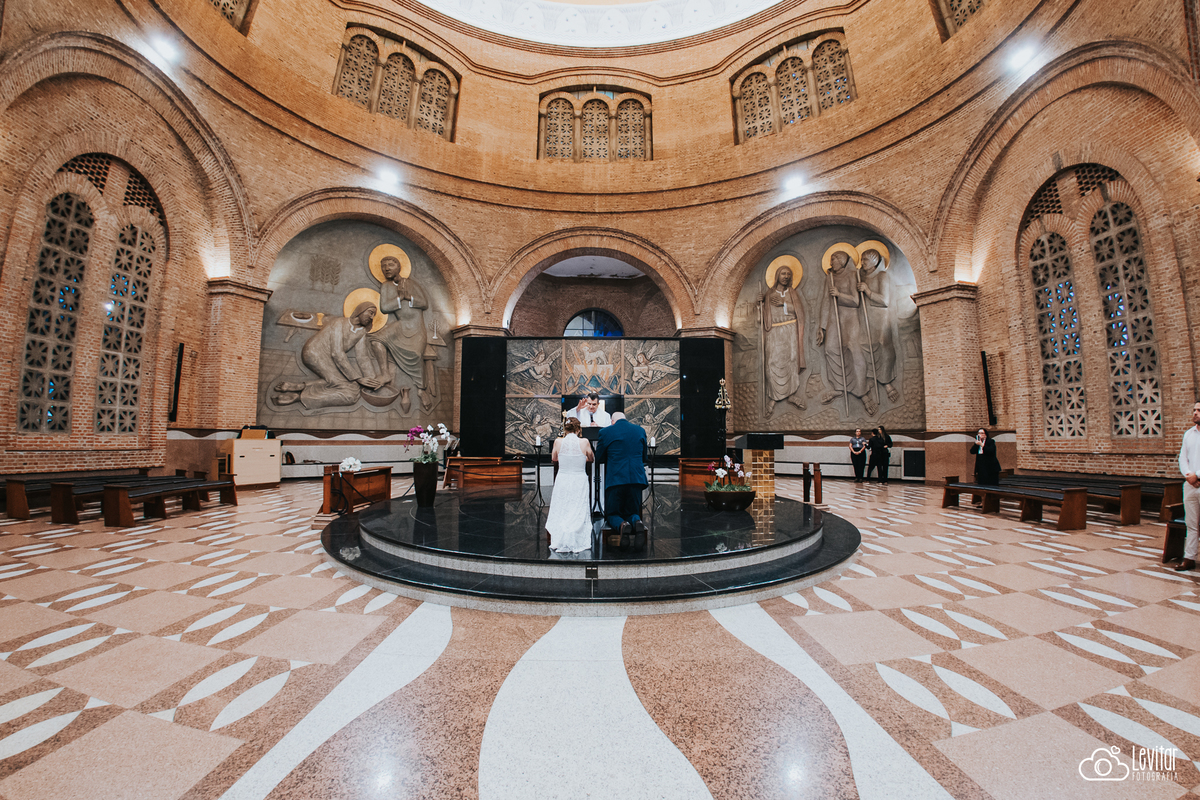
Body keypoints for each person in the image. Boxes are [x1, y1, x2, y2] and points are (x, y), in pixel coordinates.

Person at [273, 302, 384, 409]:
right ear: (360, 310)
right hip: (315, 354)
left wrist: (372, 380)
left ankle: (299, 386)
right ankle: (300, 397)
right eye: (370, 312)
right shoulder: (339, 323)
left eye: (374, 315)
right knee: (351, 394)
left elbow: (363, 357)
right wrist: (358, 378)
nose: (371, 317)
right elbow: (337, 353)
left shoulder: (361, 331)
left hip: (330, 359)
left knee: (351, 384)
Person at [369, 254, 434, 414]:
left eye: (390, 265)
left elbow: (424, 303)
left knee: (416, 355)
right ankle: (385, 375)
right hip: (400, 325)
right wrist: (399, 298)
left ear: (399, 266)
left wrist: (408, 297)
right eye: (383, 266)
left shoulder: (411, 283)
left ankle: (421, 390)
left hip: (416, 327)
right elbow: (385, 307)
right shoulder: (386, 286)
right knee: (376, 341)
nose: (386, 269)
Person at [817, 250, 875, 415]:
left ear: (842, 261)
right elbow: (825, 302)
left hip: (849, 320)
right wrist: (822, 327)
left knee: (854, 352)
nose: (831, 262)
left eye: (834, 259)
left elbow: (856, 301)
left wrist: (839, 294)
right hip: (834, 320)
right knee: (830, 350)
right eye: (831, 259)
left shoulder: (851, 274)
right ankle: (840, 387)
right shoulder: (829, 278)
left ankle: (862, 392)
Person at [761, 263, 806, 416]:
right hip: (773, 331)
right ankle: (774, 397)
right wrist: (760, 304)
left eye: (788, 274)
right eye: (783, 274)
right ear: (777, 276)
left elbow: (799, 311)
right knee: (771, 363)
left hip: (790, 329)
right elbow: (762, 317)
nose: (786, 276)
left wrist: (784, 304)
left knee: (791, 361)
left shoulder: (792, 293)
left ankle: (790, 396)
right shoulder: (769, 293)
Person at [857, 248, 901, 403]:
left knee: (882, 346)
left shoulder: (882, 275)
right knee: (864, 345)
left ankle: (886, 382)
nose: (862, 263)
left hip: (880, 317)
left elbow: (884, 300)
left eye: (865, 260)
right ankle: (871, 378)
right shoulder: (860, 276)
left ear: (875, 261)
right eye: (861, 260)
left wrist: (867, 291)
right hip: (865, 316)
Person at [596, 412, 648, 541]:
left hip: (616, 479)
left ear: (612, 421)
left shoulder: (605, 432)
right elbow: (644, 457)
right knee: (633, 511)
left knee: (613, 513)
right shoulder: (640, 430)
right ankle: (637, 522)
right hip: (636, 478)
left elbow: (599, 458)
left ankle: (622, 525)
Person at [545, 417, 595, 553]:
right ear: (578, 429)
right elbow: (591, 458)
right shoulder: (584, 442)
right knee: (577, 506)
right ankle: (575, 534)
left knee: (563, 506)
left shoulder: (558, 442)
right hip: (579, 479)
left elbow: (554, 458)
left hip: (563, 478)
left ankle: (561, 533)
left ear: (565, 429)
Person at [1175, 401, 1200, 571]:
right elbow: (1182, 458)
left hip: (1196, 479)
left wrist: (1197, 474)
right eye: (1194, 410)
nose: (1195, 413)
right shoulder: (1189, 434)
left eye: (1199, 410)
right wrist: (1189, 475)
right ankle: (1189, 558)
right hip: (1190, 485)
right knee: (1191, 524)